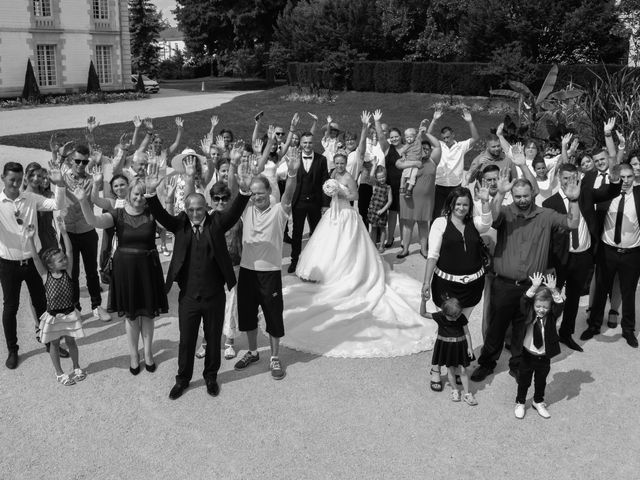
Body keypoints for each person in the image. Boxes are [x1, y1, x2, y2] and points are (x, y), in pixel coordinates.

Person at [276, 154, 437, 358]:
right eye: (339, 163)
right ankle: (324, 273)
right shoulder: (333, 173)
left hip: (346, 215)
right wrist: (331, 193)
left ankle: (347, 275)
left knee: (346, 248)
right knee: (328, 245)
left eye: (343, 163)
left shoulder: (349, 177)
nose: (341, 166)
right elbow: (328, 190)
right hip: (333, 214)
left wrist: (340, 192)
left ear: (346, 165)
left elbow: (355, 196)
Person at [145, 161, 251, 399]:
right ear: (185, 208)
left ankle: (211, 376)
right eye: (191, 209)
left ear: (207, 209)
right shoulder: (180, 223)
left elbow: (233, 213)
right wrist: (151, 193)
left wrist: (243, 191)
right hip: (189, 297)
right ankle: (182, 379)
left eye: (199, 210)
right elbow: (161, 214)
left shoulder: (216, 223)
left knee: (213, 339)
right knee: (187, 341)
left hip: (214, 295)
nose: (195, 214)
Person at [470, 171, 580, 383]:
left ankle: (517, 365)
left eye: (525, 195)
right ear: (513, 194)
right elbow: (491, 218)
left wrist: (574, 200)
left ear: (533, 194)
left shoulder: (545, 215)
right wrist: (499, 194)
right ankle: (487, 363)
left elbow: (572, 224)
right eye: (517, 196)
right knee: (496, 327)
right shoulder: (505, 212)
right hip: (504, 284)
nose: (522, 200)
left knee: (523, 327)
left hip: (531, 286)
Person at [74, 178, 169, 374]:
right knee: (131, 316)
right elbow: (93, 221)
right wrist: (84, 201)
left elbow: (169, 223)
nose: (140, 198)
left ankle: (149, 353)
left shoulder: (153, 213)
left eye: (144, 194)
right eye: (137, 194)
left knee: (148, 314)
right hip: (126, 270)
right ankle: (134, 355)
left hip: (148, 268)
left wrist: (159, 199)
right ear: (129, 194)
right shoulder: (118, 213)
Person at [234, 151, 301, 380]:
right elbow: (240, 194)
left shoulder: (279, 211)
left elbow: (289, 196)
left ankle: (274, 357)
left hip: (269, 273)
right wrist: (238, 173)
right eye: (253, 194)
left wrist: (292, 173)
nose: (256, 197)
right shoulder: (247, 209)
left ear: (269, 192)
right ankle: (253, 352)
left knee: (273, 315)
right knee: (248, 315)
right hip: (247, 271)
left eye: (260, 193)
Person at [543, 163, 621, 351]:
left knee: (574, 298)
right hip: (560, 259)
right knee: (551, 298)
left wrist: (615, 178)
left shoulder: (586, 193)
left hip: (582, 257)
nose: (570, 181)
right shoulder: (549, 204)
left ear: (578, 177)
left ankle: (566, 334)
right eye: (565, 178)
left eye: (573, 177)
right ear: (558, 179)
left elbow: (609, 192)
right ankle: (547, 334)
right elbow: (548, 239)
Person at [422, 186, 491, 390]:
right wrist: (426, 282)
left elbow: (486, 223)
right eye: (458, 204)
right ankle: (436, 368)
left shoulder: (474, 223)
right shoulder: (440, 223)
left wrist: (485, 201)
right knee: (445, 328)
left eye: (466, 204)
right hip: (446, 288)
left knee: (461, 328)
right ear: (451, 204)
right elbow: (433, 255)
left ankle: (459, 365)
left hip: (472, 287)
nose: (462, 208)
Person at [0, 161, 65, 369]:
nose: (16, 184)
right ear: (3, 179)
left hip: (33, 261)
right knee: (10, 307)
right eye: (12, 180)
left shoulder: (30, 198)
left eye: (19, 181)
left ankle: (49, 343)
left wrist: (60, 185)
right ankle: (13, 350)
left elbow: (57, 205)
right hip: (8, 264)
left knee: (42, 304)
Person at [581, 163, 640, 348]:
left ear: (634, 177)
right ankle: (594, 326)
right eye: (622, 177)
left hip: (632, 253)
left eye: (629, 176)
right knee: (600, 289)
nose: (625, 180)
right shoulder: (607, 197)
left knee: (629, 293)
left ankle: (628, 330)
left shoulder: (639, 196)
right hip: (607, 251)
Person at [25, 221, 86, 386]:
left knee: (71, 341)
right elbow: (36, 258)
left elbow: (70, 251)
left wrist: (64, 233)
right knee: (54, 344)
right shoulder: (45, 275)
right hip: (53, 317)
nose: (64, 261)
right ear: (50, 265)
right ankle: (59, 373)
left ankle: (76, 366)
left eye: (64, 259)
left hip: (69, 314)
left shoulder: (68, 273)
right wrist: (30, 239)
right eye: (60, 261)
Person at [60, 144, 111, 321]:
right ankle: (75, 307)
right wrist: (59, 155)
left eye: (85, 161)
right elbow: (55, 172)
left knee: (91, 272)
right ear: (71, 161)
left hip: (87, 231)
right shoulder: (64, 178)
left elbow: (96, 201)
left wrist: (97, 184)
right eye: (78, 161)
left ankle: (97, 306)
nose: (81, 164)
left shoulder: (92, 179)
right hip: (68, 233)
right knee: (71, 273)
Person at [514, 273, 563, 420]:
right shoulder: (529, 313)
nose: (541, 309)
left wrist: (554, 291)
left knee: (541, 381)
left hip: (543, 356)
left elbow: (559, 305)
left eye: (545, 307)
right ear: (533, 305)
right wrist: (534, 286)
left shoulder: (552, 316)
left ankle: (538, 401)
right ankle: (520, 402)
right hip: (527, 354)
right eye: (538, 306)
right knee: (524, 380)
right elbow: (524, 300)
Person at [420, 297, 477, 406]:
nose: (455, 319)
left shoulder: (461, 318)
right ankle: (454, 390)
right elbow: (423, 313)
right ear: (444, 313)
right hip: (447, 349)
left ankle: (467, 393)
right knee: (450, 371)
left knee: (463, 371)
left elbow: (467, 333)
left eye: (457, 316)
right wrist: (423, 301)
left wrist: (469, 347)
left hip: (460, 347)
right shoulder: (439, 316)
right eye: (452, 317)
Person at [288, 132, 329, 274]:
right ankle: (294, 261)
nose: (307, 145)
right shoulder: (294, 159)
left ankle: (317, 260)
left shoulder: (321, 160)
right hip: (298, 202)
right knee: (297, 233)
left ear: (314, 143)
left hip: (315, 203)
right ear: (301, 143)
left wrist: (325, 204)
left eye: (310, 142)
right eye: (304, 142)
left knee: (317, 233)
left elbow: (325, 182)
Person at [427, 106, 480, 218]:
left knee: (455, 214)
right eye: (444, 138)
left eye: (448, 137)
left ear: (453, 135)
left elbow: (475, 138)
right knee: (437, 214)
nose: (446, 140)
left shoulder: (461, 146)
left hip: (455, 186)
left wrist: (470, 122)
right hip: (440, 185)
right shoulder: (439, 145)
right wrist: (434, 120)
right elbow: (428, 135)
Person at [397, 129, 441, 258]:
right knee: (408, 224)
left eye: (428, 149)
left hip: (426, 200)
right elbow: (399, 166)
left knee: (423, 224)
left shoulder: (433, 161)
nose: (425, 150)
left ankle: (423, 249)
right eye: (423, 148)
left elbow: (437, 145)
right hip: (408, 198)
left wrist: (425, 132)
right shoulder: (411, 160)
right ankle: (405, 249)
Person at [373, 110, 403, 249]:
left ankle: (403, 240)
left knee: (404, 215)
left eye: (396, 136)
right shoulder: (387, 148)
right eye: (392, 137)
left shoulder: (407, 149)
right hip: (391, 187)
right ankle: (390, 238)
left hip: (404, 188)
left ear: (400, 136)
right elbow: (380, 136)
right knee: (392, 214)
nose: (394, 139)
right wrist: (377, 121)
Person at [367, 166, 393, 252]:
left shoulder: (388, 188)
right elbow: (370, 176)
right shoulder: (375, 185)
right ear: (376, 178)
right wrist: (374, 165)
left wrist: (383, 210)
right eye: (379, 178)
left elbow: (390, 201)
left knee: (382, 229)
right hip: (373, 211)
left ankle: (382, 246)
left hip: (382, 212)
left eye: (383, 177)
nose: (381, 179)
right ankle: (373, 245)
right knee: (373, 228)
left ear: (385, 176)